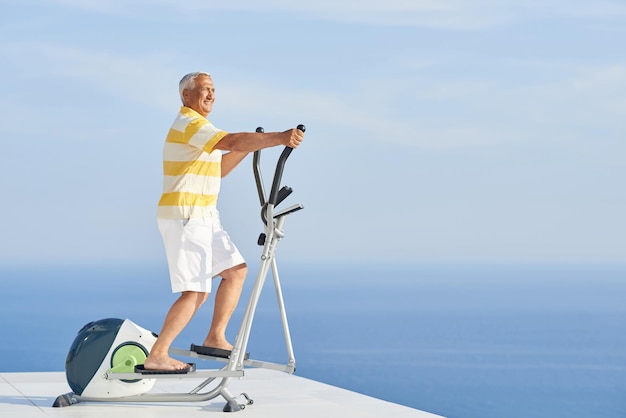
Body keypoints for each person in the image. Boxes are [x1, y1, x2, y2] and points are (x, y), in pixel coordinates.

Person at [144, 71, 304, 371]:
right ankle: (158, 355)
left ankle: (216, 337)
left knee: (235, 271)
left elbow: (219, 168)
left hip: (205, 215)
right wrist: (278, 138)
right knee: (195, 291)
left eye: (214, 90)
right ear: (186, 96)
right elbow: (231, 140)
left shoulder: (203, 129)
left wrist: (249, 146)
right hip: (185, 215)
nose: (211, 95)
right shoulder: (189, 124)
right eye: (205, 89)